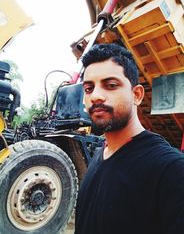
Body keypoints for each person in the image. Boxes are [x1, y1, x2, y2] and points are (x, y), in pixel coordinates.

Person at [74, 43, 184, 234]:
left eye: (111, 85)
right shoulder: (100, 156)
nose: (96, 96)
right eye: (89, 88)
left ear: (137, 95)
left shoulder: (170, 169)